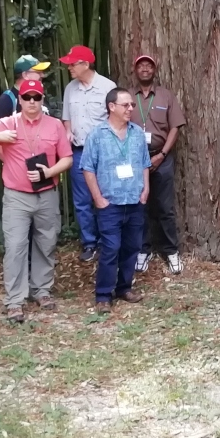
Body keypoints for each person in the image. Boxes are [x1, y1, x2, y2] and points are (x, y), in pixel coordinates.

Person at [0, 77, 72, 322]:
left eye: (36, 97)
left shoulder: (55, 125)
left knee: (46, 243)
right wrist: (1, 136)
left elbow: (67, 158)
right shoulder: (9, 122)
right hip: (17, 197)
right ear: (20, 100)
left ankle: (42, 290)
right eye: (27, 97)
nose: (32, 102)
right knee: (15, 247)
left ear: (42, 99)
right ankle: (15, 299)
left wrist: (49, 172)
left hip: (47, 193)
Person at [81, 87, 151, 313]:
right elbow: (87, 168)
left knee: (131, 247)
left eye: (132, 105)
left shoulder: (137, 133)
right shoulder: (97, 135)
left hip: (134, 200)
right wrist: (98, 198)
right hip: (109, 203)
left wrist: (145, 190)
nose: (131, 108)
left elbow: (144, 164)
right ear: (111, 107)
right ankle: (103, 294)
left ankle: (124, 287)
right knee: (111, 247)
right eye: (126, 105)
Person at [130, 54, 186, 276]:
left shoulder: (166, 96)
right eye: (141, 66)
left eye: (149, 66)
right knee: (139, 207)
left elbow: (175, 127)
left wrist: (162, 154)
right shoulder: (128, 97)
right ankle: (143, 250)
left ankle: (171, 251)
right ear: (135, 70)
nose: (145, 69)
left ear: (154, 70)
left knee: (165, 207)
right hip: (135, 161)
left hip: (160, 158)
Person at [60, 44, 116, 261]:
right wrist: (67, 131)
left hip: (104, 152)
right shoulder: (70, 88)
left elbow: (116, 119)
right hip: (79, 151)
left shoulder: (106, 87)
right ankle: (89, 243)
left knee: (104, 196)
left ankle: (107, 240)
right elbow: (67, 117)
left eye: (72, 64)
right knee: (82, 200)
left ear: (85, 64)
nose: (69, 68)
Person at [0, 55, 51, 125]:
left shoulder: (38, 95)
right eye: (38, 72)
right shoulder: (7, 99)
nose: (42, 75)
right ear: (25, 75)